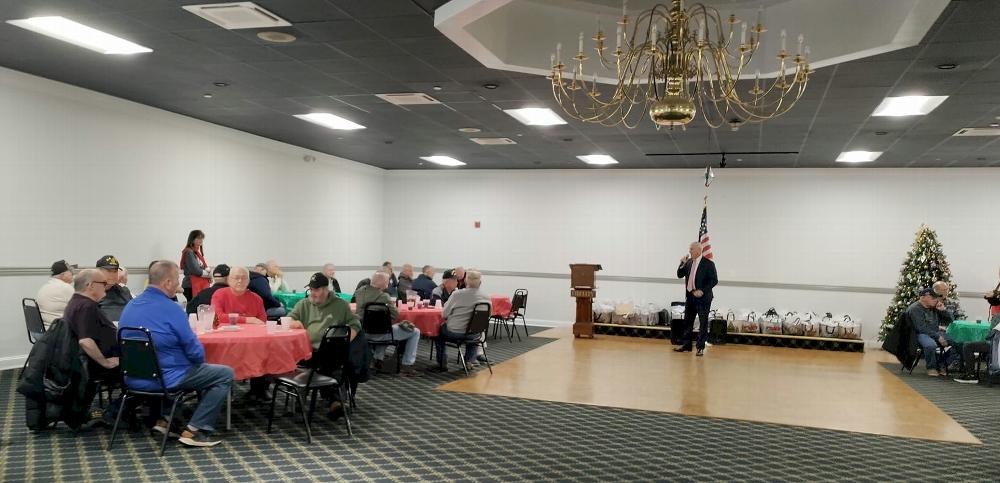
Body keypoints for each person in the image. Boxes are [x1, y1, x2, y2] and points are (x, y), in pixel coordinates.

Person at [119, 261, 234, 447]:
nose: (179, 283)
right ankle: (195, 430)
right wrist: (198, 362)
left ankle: (166, 420)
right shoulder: (172, 309)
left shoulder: (131, 305)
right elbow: (195, 351)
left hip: (133, 377)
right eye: (177, 279)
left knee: (177, 363)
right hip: (165, 379)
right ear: (167, 283)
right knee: (224, 373)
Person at [287, 273, 363, 419]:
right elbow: (289, 318)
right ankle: (336, 401)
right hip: (307, 352)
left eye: (316, 290)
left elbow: (355, 323)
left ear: (325, 290)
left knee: (332, 359)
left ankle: (327, 400)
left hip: (332, 352)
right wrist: (293, 323)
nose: (312, 294)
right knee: (331, 366)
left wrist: (346, 340)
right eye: (311, 290)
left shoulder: (340, 305)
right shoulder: (304, 304)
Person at [63, 269, 120, 425]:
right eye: (102, 283)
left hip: (84, 364)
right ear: (90, 285)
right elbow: (85, 341)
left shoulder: (76, 302)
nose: (106, 286)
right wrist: (106, 362)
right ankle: (116, 411)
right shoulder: (86, 306)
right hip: (94, 367)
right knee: (147, 369)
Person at [211, 266, 270, 401]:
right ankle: (224, 388)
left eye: (243, 278)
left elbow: (262, 322)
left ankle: (259, 389)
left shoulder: (256, 298)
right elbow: (217, 316)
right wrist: (247, 319)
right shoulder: (219, 294)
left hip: (251, 344)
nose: (240, 281)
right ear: (228, 280)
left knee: (264, 350)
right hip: (226, 342)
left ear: (249, 281)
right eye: (236, 278)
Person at [354, 272, 421, 376]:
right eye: (388, 281)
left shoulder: (359, 292)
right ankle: (407, 365)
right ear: (383, 283)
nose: (389, 283)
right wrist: (397, 309)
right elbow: (395, 316)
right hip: (382, 333)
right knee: (415, 331)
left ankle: (377, 360)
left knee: (384, 327)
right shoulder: (384, 296)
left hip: (363, 332)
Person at [432, 270, 489, 372]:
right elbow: (487, 315)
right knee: (474, 334)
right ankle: (469, 361)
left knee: (438, 332)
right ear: (480, 283)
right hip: (474, 334)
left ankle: (442, 362)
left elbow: (444, 313)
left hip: (454, 332)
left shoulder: (457, 294)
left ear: (466, 282)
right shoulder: (486, 297)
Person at [674, 241, 718, 357]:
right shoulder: (688, 263)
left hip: (703, 298)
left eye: (691, 249)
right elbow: (679, 275)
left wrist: (702, 290)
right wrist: (681, 263)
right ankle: (687, 346)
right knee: (688, 322)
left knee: (703, 323)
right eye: (690, 249)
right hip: (690, 297)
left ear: (699, 250)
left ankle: (700, 347)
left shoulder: (708, 264)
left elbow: (714, 280)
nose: (689, 251)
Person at [907, 287, 958, 377]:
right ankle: (931, 367)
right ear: (923, 298)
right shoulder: (915, 309)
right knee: (930, 345)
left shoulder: (935, 307)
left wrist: (943, 310)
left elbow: (950, 321)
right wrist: (938, 337)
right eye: (933, 298)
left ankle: (942, 363)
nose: (936, 300)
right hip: (919, 334)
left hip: (935, 332)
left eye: (936, 298)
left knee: (959, 342)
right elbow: (921, 328)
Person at [36, 259, 76, 329]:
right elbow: (82, 306)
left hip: (43, 329)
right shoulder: (65, 287)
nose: (73, 274)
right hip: (56, 332)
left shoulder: (45, 286)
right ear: (63, 275)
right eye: (70, 272)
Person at [96, 255, 132, 322]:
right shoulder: (92, 293)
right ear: (98, 272)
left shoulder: (124, 291)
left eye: (115, 271)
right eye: (109, 271)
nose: (113, 275)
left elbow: (134, 311)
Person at [180, 229, 211, 301]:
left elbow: (202, 268)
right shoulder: (189, 252)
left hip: (196, 284)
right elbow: (196, 271)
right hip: (190, 285)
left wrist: (208, 275)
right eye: (198, 238)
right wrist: (208, 275)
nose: (201, 240)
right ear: (192, 239)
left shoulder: (196, 253)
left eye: (202, 238)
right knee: (193, 309)